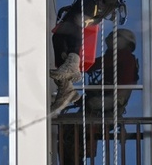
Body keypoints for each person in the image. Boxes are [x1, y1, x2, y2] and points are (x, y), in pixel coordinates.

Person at [58, 29, 139, 164]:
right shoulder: (121, 59)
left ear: (124, 41)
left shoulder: (122, 56)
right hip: (102, 110)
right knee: (72, 130)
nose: (109, 40)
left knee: (64, 124)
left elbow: (94, 65)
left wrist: (70, 60)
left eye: (113, 37)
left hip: (104, 111)